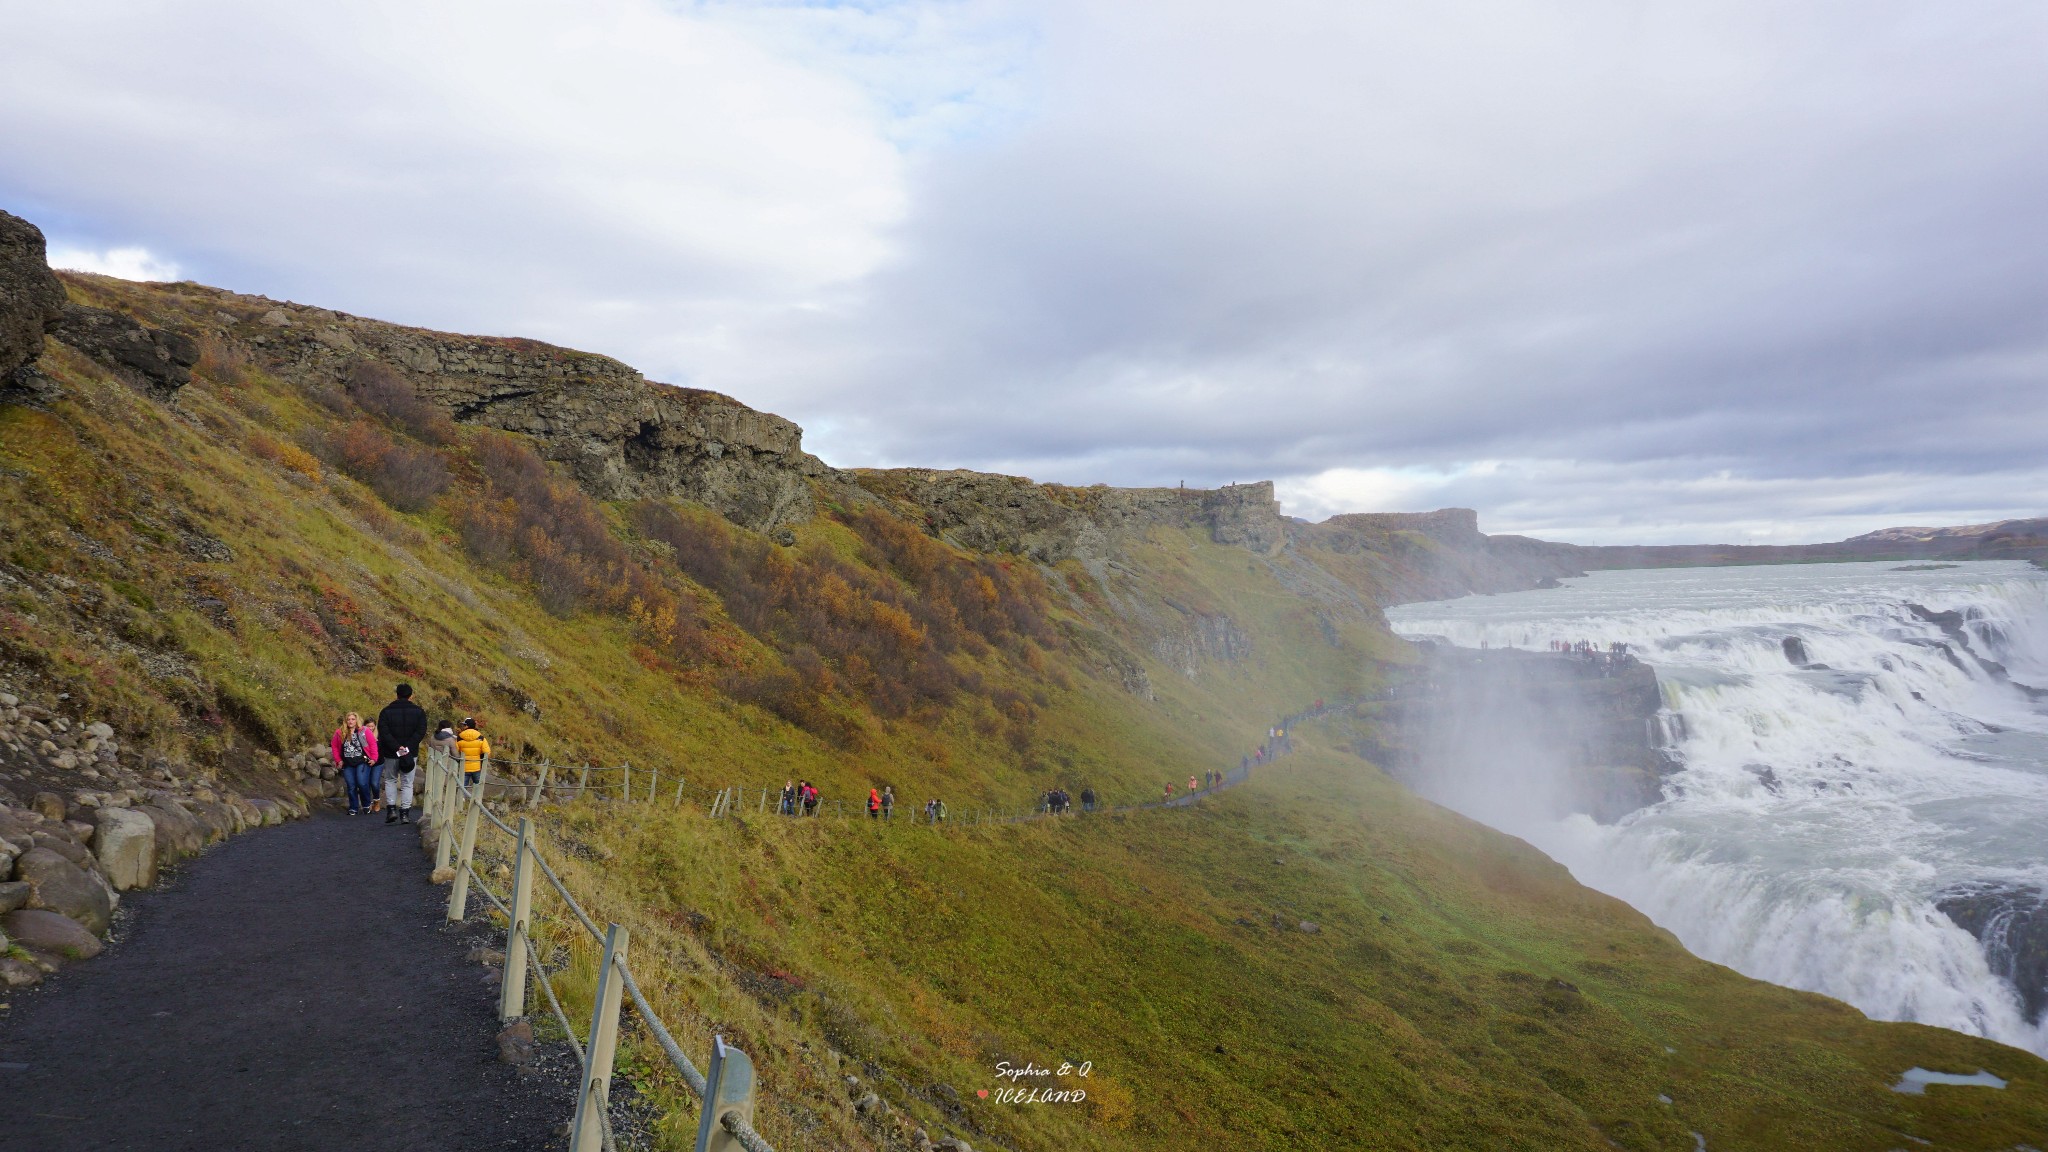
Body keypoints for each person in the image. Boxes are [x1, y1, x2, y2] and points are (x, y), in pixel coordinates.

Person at [376, 683, 428, 825]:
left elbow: (384, 732)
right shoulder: (419, 712)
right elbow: (420, 731)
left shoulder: (386, 712)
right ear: (411, 695)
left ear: (397, 694)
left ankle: (391, 809)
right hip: (410, 753)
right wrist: (407, 747)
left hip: (391, 752)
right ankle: (405, 813)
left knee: (391, 780)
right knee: (407, 782)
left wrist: (396, 747)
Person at [331, 712, 378, 816]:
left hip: (362, 761)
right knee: (351, 786)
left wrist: (374, 758)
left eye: (353, 719)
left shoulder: (364, 731)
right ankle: (353, 807)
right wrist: (338, 760)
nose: (350, 721)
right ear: (346, 721)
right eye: (348, 719)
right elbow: (334, 746)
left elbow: (372, 744)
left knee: (362, 783)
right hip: (348, 763)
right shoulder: (340, 732)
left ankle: (366, 805)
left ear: (357, 720)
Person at [456, 717, 490, 789]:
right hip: (476, 767)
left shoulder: (459, 738)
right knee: (478, 788)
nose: (463, 727)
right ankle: (476, 800)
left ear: (467, 726)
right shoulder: (480, 737)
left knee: (462, 788)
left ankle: (462, 799)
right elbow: (487, 752)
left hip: (464, 767)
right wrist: (481, 758)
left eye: (464, 725)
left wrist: (459, 760)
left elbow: (455, 751)